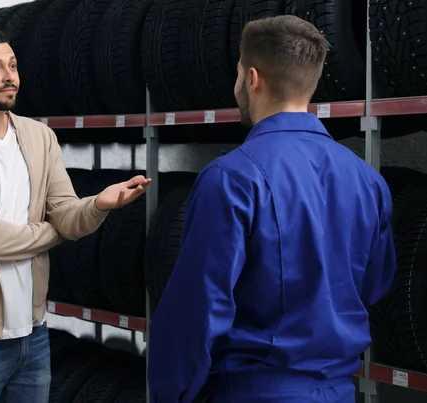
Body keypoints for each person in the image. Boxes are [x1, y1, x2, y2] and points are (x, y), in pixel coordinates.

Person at [148, 15, 396, 402]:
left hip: (252, 391)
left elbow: (195, 313)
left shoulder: (231, 178)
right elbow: (373, 285)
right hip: (337, 391)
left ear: (251, 78)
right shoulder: (368, 181)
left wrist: (169, 393)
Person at [0, 24, 151, 403]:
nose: (9, 77)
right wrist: (54, 232)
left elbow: (65, 213)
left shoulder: (38, 137)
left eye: (12, 65)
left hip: (33, 333)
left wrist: (96, 205)